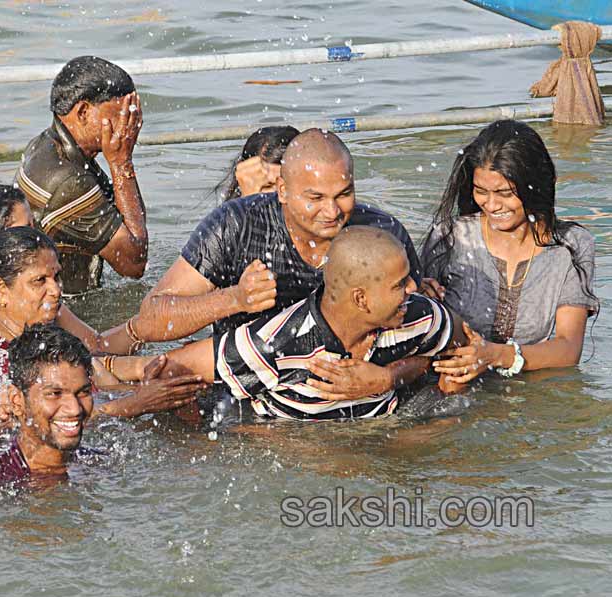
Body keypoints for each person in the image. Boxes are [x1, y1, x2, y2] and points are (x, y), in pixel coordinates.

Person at [125, 128, 425, 396]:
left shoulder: (382, 234)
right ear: (282, 190)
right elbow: (151, 320)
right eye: (316, 197)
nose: (332, 211)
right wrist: (234, 299)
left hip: (353, 392)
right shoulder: (237, 225)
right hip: (248, 383)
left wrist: (388, 378)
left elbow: (430, 338)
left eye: (344, 194)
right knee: (166, 385)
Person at [159, 227, 467, 420]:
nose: (413, 289)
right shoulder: (276, 343)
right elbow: (173, 367)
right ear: (361, 300)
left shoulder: (417, 316)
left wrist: (388, 378)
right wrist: (198, 443)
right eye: (400, 284)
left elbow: (458, 340)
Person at [421, 120, 599, 384]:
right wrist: (417, 294)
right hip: (452, 387)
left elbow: (568, 348)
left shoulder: (571, 246)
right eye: (481, 191)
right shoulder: (450, 237)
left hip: (527, 392)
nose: (491, 205)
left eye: (505, 193)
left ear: (535, 185)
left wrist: (498, 356)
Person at [0, 226, 206, 420]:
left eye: (56, 277)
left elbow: (105, 390)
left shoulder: (57, 340)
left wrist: (154, 389)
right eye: (39, 281)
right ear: (1, 290)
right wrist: (133, 404)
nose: (56, 290)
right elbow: (38, 424)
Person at [0, 184, 133, 355]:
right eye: (25, 229)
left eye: (34, 226)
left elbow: (95, 346)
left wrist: (141, 329)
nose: (37, 237)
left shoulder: (44, 294)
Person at [15, 56, 147, 294]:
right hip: (62, 312)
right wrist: (122, 163)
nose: (130, 128)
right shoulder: (69, 181)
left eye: (133, 117)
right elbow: (134, 262)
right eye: (121, 117)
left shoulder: (45, 143)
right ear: (84, 112)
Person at [0, 324, 97, 491]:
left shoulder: (97, 465)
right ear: (17, 401)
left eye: (83, 392)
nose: (75, 409)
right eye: (54, 394)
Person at [214, 125, 300, 202]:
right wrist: (249, 199)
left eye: (286, 185)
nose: (279, 194)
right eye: (268, 186)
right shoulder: (224, 216)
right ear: (243, 180)